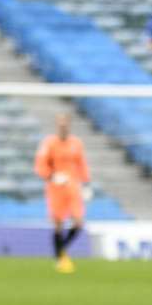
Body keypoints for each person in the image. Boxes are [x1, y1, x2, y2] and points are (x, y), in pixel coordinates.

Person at [34, 113, 89, 273]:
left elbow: (82, 164)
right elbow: (40, 165)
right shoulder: (49, 143)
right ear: (57, 124)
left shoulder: (76, 143)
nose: (63, 125)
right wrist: (51, 176)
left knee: (78, 222)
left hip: (73, 187)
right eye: (60, 123)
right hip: (55, 188)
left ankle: (60, 252)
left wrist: (86, 182)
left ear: (69, 124)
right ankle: (60, 259)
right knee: (58, 224)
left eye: (65, 123)